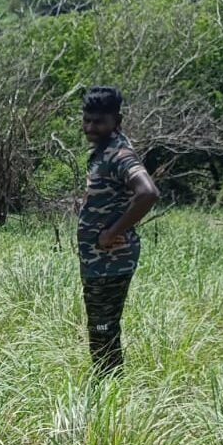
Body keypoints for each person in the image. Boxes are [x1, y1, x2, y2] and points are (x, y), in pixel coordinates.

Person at [78, 86, 160, 374]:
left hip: (110, 262)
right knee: (101, 327)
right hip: (98, 262)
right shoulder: (103, 152)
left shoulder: (119, 154)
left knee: (103, 328)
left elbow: (148, 193)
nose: (90, 127)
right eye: (87, 120)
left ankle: (109, 390)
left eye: (99, 121)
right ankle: (108, 387)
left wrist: (112, 232)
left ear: (117, 121)